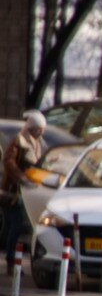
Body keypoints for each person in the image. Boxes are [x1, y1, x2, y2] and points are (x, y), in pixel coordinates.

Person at [2, 110, 46, 276]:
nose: (41, 132)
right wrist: (21, 179)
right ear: (33, 128)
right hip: (12, 194)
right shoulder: (18, 142)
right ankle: (11, 262)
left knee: (18, 227)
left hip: (27, 193)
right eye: (39, 129)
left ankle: (14, 262)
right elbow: (8, 162)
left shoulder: (37, 142)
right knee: (15, 226)